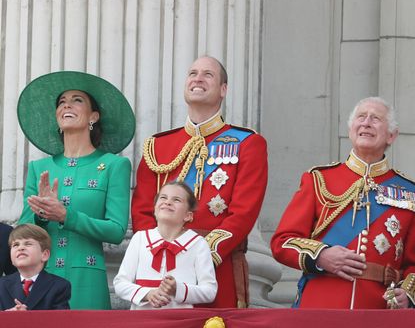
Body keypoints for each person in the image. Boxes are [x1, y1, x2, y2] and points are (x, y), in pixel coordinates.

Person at [131, 56, 268, 308]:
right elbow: (142, 209)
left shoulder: (247, 143)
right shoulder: (158, 146)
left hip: (217, 265)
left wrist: (200, 254)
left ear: (223, 89)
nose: (198, 78)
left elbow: (244, 213)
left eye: (208, 74)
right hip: (160, 266)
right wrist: (158, 251)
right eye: (193, 73)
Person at [271, 97, 415, 309]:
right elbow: (282, 241)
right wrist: (321, 256)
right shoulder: (319, 179)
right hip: (320, 305)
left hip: (377, 311)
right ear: (351, 130)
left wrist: (408, 294)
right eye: (361, 117)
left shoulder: (409, 192)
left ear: (391, 135)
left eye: (376, 119)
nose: (366, 122)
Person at [17, 71, 135, 310]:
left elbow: (116, 230)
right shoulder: (39, 168)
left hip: (87, 281)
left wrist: (66, 216)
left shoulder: (114, 165)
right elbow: (23, 232)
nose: (67, 105)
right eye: (62, 102)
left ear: (94, 116)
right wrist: (41, 213)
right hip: (43, 278)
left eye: (77, 100)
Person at [114, 181, 217, 309]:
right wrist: (148, 294)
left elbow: (210, 291)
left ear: (188, 215)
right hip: (142, 320)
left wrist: (178, 289)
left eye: (177, 200)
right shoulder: (140, 239)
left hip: (179, 321)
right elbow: (120, 283)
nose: (168, 202)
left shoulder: (198, 244)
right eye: (163, 197)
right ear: (155, 209)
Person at [0, 224, 71, 311]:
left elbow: (61, 322)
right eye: (15, 245)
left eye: (28, 244)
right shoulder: (2, 285)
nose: (20, 248)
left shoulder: (59, 286)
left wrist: (28, 317)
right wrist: (6, 317)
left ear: (44, 255)